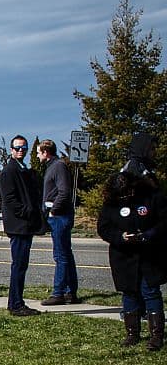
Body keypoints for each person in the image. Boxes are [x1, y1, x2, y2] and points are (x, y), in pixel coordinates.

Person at [97, 170, 167, 351]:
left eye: (129, 192)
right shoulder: (111, 205)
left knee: (150, 291)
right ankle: (132, 333)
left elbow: (163, 221)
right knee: (129, 293)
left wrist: (149, 235)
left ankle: (156, 335)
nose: (126, 196)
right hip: (124, 256)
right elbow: (104, 229)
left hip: (149, 254)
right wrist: (121, 237)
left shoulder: (151, 197)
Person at [0, 135, 45, 316]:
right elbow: (10, 200)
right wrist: (28, 212)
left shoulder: (23, 169)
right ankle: (16, 304)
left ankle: (16, 302)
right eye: (17, 148)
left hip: (25, 225)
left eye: (24, 148)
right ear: (11, 149)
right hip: (18, 226)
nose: (20, 151)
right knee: (18, 265)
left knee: (21, 265)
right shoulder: (9, 171)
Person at [37, 139, 80, 305]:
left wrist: (54, 209)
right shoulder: (52, 167)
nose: (38, 155)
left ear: (46, 152)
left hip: (60, 217)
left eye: (39, 152)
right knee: (65, 254)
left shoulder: (58, 166)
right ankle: (70, 292)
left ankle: (59, 293)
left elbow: (64, 192)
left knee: (60, 255)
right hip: (58, 216)